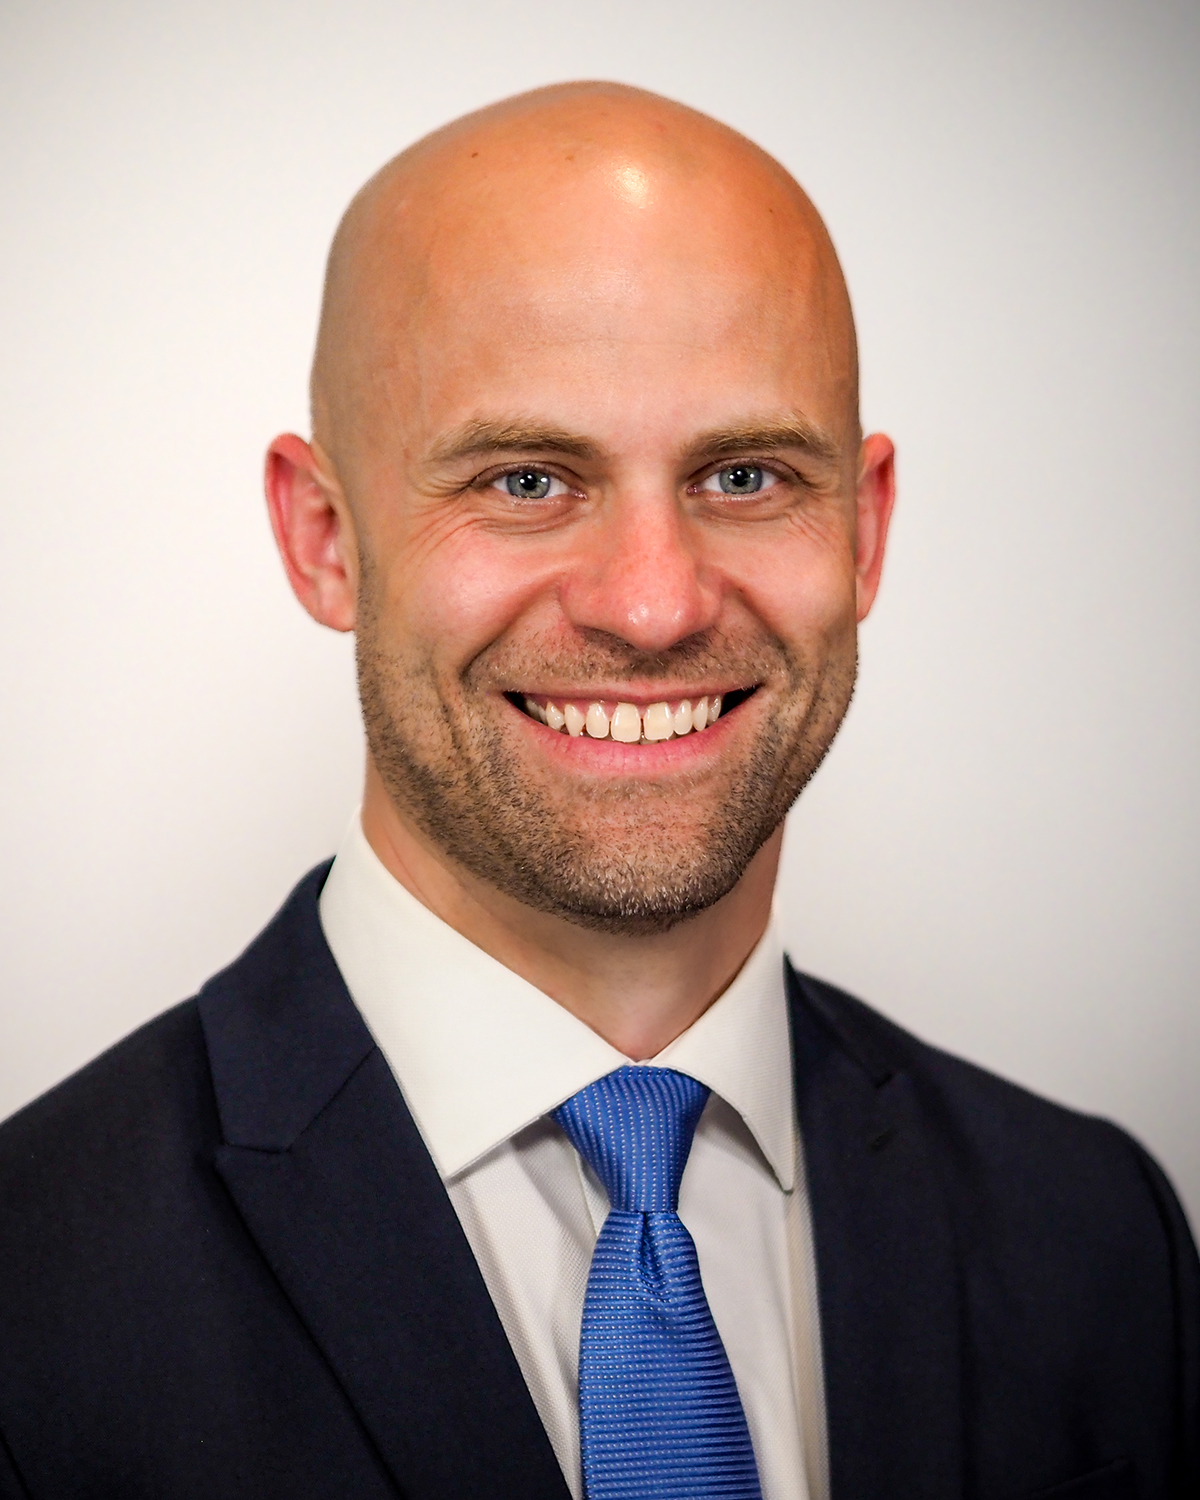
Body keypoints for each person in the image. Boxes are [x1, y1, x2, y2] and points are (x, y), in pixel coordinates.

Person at [0, 80, 1195, 1500]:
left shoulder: (1101, 1238)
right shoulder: (31, 1290)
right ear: (324, 537)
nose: (652, 606)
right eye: (526, 480)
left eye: (744, 476)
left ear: (864, 534)